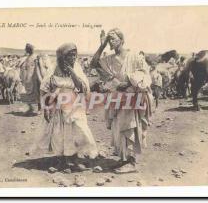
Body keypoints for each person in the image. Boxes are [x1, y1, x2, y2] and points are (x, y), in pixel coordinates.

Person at [90, 28, 153, 174]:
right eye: (109, 39)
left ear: (122, 40)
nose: (111, 41)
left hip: (131, 97)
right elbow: (93, 64)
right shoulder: (109, 60)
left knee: (129, 126)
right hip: (116, 98)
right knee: (118, 127)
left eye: (114, 38)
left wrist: (131, 82)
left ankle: (131, 162)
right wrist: (102, 45)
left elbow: (144, 74)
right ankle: (123, 159)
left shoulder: (134, 56)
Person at [40, 43, 98, 170]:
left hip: (74, 104)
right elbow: (44, 88)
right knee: (59, 133)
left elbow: (82, 87)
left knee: (77, 130)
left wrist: (72, 71)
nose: (73, 58)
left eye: (74, 55)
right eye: (69, 56)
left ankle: (75, 159)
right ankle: (62, 161)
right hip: (58, 106)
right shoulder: (54, 69)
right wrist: (45, 107)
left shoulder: (76, 68)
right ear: (62, 57)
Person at [19, 43, 52, 115]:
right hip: (28, 78)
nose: (28, 50)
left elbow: (40, 67)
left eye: (28, 49)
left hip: (35, 77)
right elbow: (25, 68)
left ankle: (40, 109)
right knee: (27, 94)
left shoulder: (36, 57)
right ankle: (30, 108)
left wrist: (40, 77)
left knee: (38, 93)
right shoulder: (27, 58)